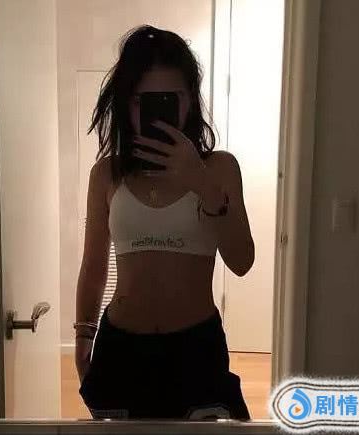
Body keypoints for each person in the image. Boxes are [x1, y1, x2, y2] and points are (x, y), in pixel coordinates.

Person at [74, 24, 255, 420]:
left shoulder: (219, 168)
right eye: (143, 100)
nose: (154, 111)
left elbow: (242, 261)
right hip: (120, 349)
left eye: (171, 98)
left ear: (190, 100)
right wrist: (83, 335)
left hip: (196, 348)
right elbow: (94, 266)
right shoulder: (106, 174)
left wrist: (202, 185)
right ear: (127, 103)